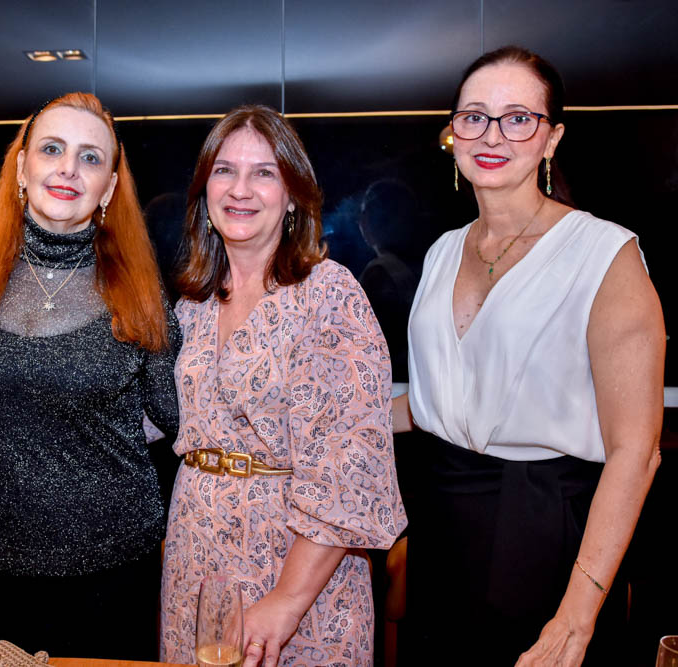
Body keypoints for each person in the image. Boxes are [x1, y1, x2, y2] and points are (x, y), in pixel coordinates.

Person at [394, 46, 665, 666]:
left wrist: (577, 615)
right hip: (440, 523)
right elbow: (446, 397)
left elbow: (636, 451)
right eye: (474, 116)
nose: (493, 135)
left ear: (552, 138)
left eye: (518, 118)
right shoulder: (441, 252)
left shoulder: (604, 254)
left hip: (542, 531)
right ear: (453, 132)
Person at [0, 92, 180, 661]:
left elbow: (177, 418)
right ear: (22, 168)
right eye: (51, 149)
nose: (69, 168)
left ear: (111, 187)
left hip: (108, 571)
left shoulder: (138, 286)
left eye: (91, 158)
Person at [160, 105, 407, 667]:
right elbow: (152, 414)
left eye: (264, 172)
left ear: (294, 194)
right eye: (224, 171)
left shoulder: (329, 295)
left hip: (297, 567)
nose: (240, 189)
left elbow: (350, 469)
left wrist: (287, 603)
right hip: (195, 558)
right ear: (204, 190)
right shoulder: (191, 304)